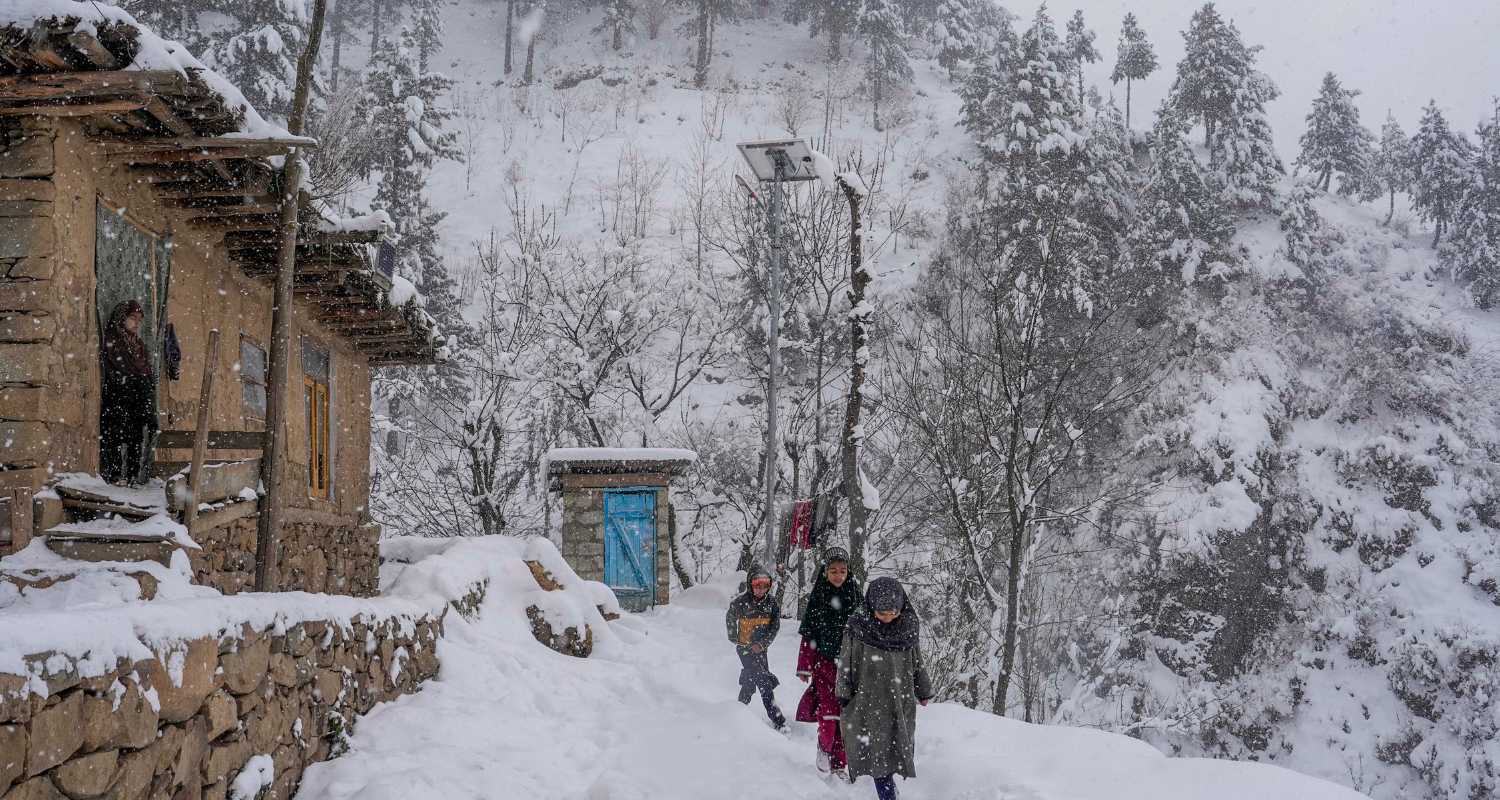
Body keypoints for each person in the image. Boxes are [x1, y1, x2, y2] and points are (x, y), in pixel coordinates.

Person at [837, 577, 935, 800]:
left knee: (894, 747)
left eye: (893, 613)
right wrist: (843, 692)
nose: (889, 619)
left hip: (899, 703)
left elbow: (917, 661)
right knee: (876, 754)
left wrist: (923, 689)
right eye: (882, 614)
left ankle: (889, 788)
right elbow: (845, 663)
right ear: (871, 606)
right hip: (867, 702)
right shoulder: (858, 627)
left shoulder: (908, 628)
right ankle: (888, 794)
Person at [795, 546, 862, 780]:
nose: (838, 575)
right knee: (829, 713)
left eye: (842, 571)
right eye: (833, 571)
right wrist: (805, 665)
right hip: (824, 665)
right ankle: (823, 748)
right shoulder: (819, 597)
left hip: (850, 669)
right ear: (825, 572)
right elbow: (809, 634)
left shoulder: (854, 595)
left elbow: (866, 634)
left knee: (845, 717)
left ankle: (839, 765)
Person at [100, 300, 156, 485]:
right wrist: (135, 381)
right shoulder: (113, 339)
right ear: (121, 318)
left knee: (135, 436)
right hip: (119, 394)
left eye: (139, 319)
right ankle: (115, 475)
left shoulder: (138, 344)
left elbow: (145, 370)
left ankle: (132, 475)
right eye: (133, 317)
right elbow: (118, 366)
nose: (136, 322)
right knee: (115, 434)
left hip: (136, 397)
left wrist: (145, 389)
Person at [725, 563, 786, 731]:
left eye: (765, 585)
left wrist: (762, 644)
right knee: (764, 681)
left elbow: (775, 627)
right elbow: (730, 616)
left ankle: (737, 710)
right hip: (744, 649)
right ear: (750, 584)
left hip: (761, 649)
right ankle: (778, 719)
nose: (761, 589)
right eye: (757, 585)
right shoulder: (741, 602)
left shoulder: (771, 604)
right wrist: (733, 636)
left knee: (751, 681)